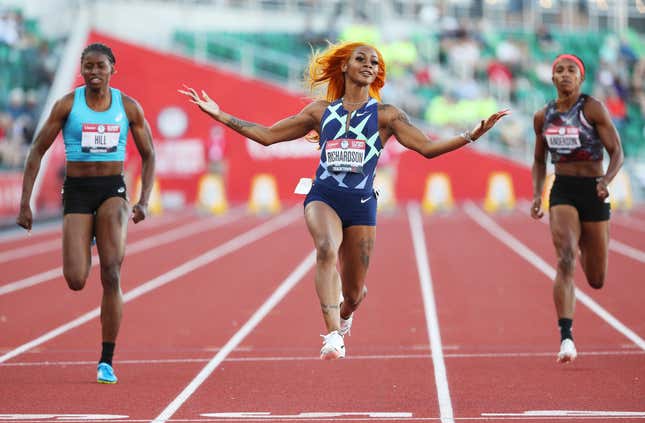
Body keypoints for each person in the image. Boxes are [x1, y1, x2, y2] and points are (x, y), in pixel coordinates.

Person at [180, 41, 508, 360]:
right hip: (323, 194)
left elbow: (427, 149)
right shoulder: (320, 112)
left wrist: (472, 134)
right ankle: (333, 335)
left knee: (353, 293)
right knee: (325, 248)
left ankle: (346, 312)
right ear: (344, 66)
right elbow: (267, 136)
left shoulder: (386, 115)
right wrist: (220, 115)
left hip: (362, 202)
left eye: (374, 63)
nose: (369, 65)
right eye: (361, 59)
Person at [16, 43, 156, 382]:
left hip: (112, 191)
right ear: (82, 70)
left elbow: (149, 154)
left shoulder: (128, 107)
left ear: (112, 69)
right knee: (76, 279)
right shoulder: (68, 105)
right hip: (78, 193)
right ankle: (90, 237)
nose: (94, 72)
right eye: (88, 67)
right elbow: (36, 150)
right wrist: (25, 201)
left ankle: (106, 359)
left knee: (111, 271)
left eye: (100, 66)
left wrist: (143, 200)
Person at [530, 54, 624, 364]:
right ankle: (566, 336)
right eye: (559, 70)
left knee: (596, 278)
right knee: (565, 257)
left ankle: (584, 243)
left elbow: (617, 152)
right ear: (552, 78)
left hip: (593, 191)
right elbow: (538, 160)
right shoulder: (543, 117)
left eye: (572, 70)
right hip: (563, 190)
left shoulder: (592, 108)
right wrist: (535, 194)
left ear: (580, 78)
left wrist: (607, 180)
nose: (565, 74)